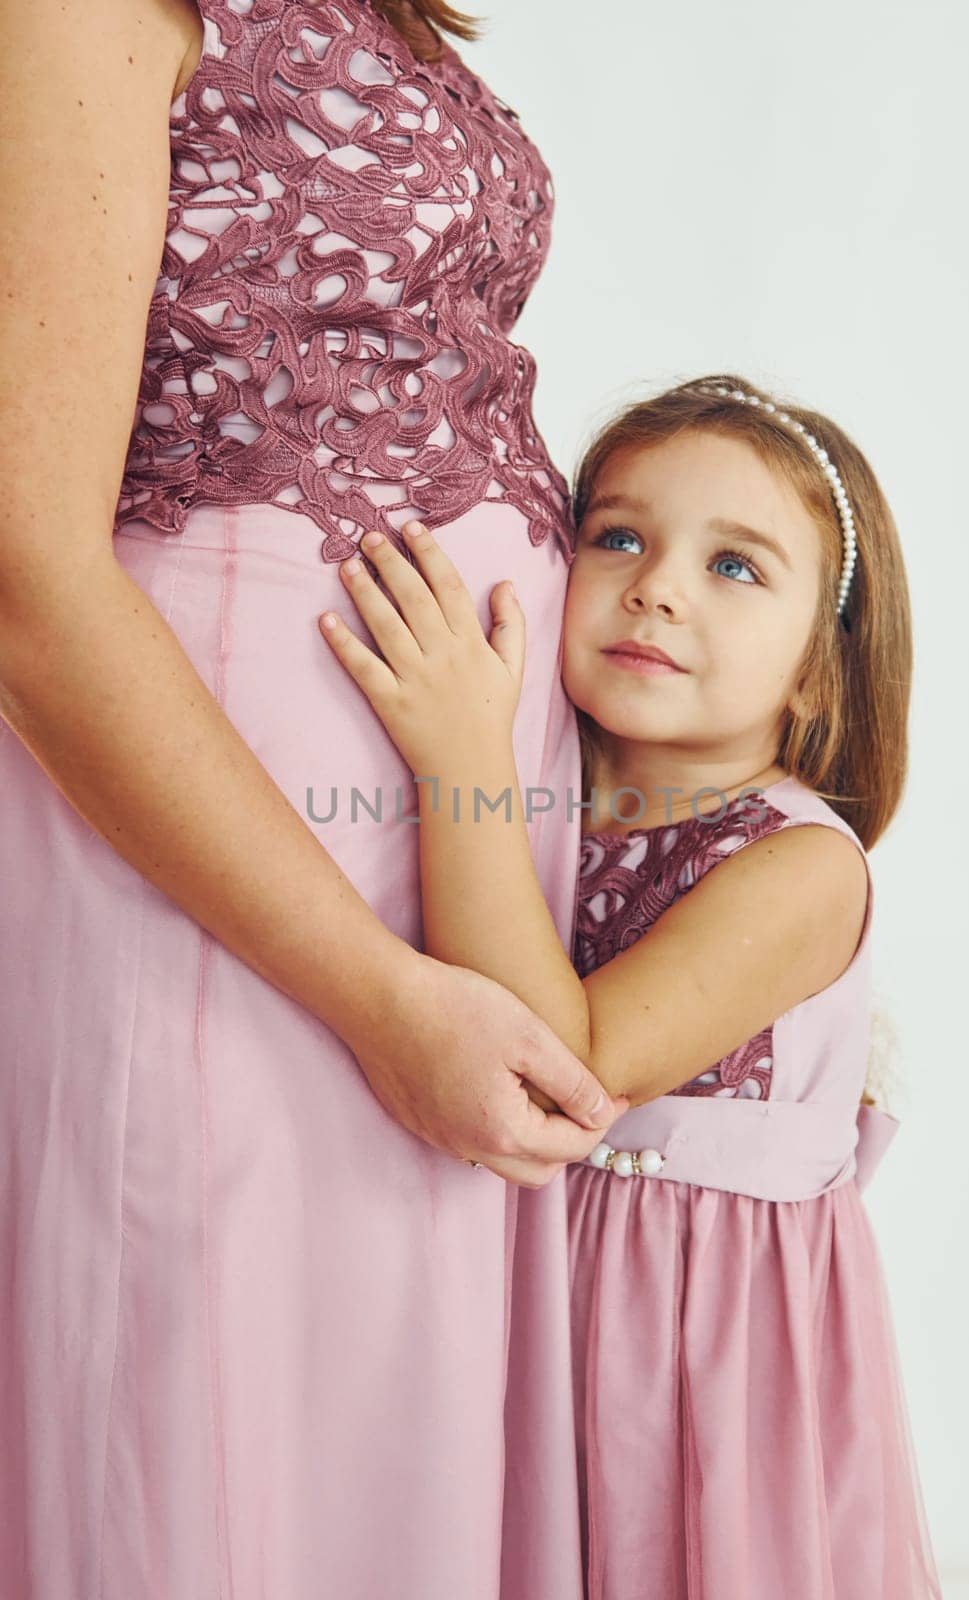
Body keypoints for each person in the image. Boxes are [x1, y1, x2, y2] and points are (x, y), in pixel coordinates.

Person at [0, 2, 628, 1595]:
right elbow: (24, 575)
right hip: (241, 883)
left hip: (445, 858)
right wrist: (379, 996)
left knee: (386, 1473)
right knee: (214, 1464)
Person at [319, 373, 945, 1596]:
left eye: (736, 566)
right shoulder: (546, 809)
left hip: (692, 1345)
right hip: (519, 1296)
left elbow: (568, 1062)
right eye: (618, 537)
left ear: (822, 668)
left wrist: (460, 758)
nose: (656, 583)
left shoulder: (802, 864)